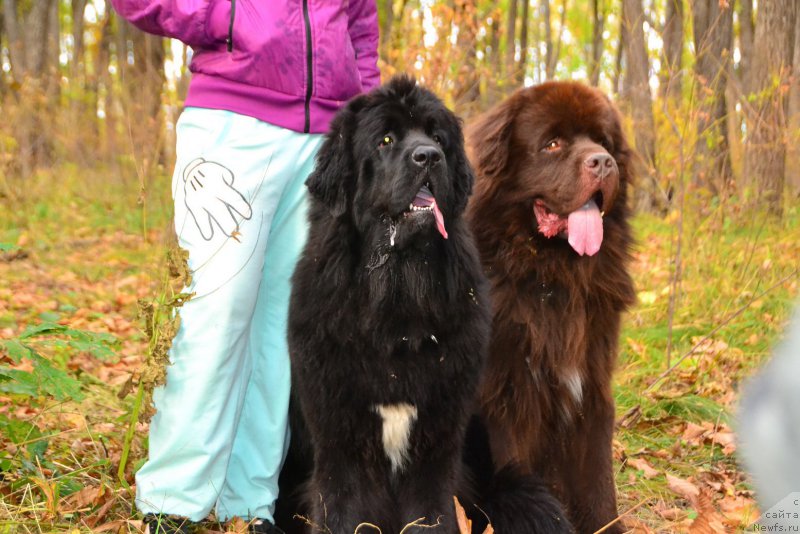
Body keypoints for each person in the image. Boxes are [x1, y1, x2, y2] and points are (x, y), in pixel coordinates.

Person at [108, 2, 380, 533]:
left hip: (325, 138)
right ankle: (173, 502)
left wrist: (362, 113)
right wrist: (226, 18)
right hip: (233, 125)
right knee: (217, 307)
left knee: (284, 326)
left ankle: (247, 506)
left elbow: (361, 25)